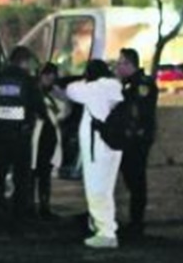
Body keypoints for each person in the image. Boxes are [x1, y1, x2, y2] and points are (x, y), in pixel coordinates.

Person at [0, 45, 46, 232]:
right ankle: (18, 217)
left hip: (0, 134)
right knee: (21, 178)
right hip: (21, 137)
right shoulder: (28, 81)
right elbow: (39, 107)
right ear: (24, 62)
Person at [66, 59, 124, 249]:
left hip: (96, 147)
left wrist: (84, 81)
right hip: (113, 146)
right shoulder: (115, 86)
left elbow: (70, 90)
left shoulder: (93, 89)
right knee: (106, 189)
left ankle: (105, 232)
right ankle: (106, 227)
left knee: (96, 188)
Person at [114, 48, 158, 241]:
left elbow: (140, 113)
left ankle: (137, 223)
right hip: (129, 139)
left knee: (137, 180)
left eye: (120, 63)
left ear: (129, 64)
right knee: (132, 179)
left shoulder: (141, 84)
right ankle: (134, 221)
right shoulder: (128, 84)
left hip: (137, 140)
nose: (117, 67)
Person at [34, 62, 66, 220]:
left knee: (44, 174)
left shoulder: (55, 93)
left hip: (48, 137)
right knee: (31, 174)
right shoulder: (32, 91)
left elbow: (65, 109)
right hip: (34, 137)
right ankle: (29, 206)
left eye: (52, 77)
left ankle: (44, 207)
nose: (49, 80)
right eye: (47, 76)